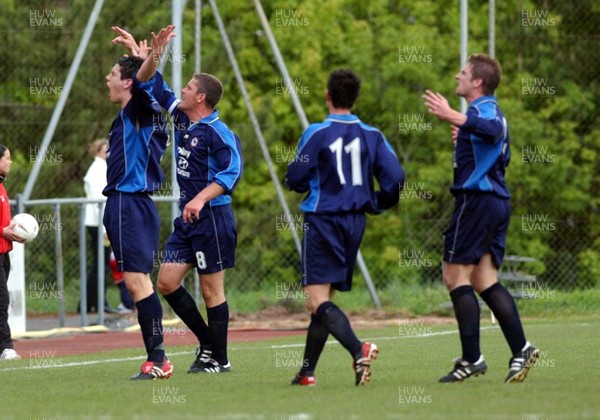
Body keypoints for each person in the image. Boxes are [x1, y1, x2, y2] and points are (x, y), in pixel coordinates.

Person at [116, 25, 243, 374]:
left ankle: (220, 358)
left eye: (188, 87)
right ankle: (209, 345)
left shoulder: (219, 131)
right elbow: (151, 83)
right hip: (188, 221)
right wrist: (146, 55)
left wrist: (201, 199)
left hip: (213, 218)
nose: (182, 90)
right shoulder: (182, 118)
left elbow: (232, 172)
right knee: (167, 282)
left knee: (211, 289)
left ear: (201, 97)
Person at [423, 54, 539, 383]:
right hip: (492, 202)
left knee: (454, 276)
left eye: (463, 72)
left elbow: (494, 129)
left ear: (477, 82)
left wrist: (455, 117)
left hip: (477, 202)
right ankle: (522, 349)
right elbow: (503, 151)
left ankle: (472, 358)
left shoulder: (484, 108)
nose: (457, 76)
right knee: (483, 280)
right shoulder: (479, 113)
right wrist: (467, 136)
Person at [285, 69, 405, 386]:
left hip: (323, 219)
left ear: (327, 95)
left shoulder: (317, 132)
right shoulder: (373, 134)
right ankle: (306, 373)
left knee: (315, 300)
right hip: (354, 223)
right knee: (323, 301)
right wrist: (375, 201)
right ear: (356, 98)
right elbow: (396, 179)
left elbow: (295, 178)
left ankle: (358, 348)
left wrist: (302, 181)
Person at [103, 43, 171, 379]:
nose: (108, 78)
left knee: (137, 282)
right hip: (130, 203)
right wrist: (140, 56)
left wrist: (150, 59)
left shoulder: (138, 108)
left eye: (113, 74)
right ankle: (157, 356)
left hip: (128, 202)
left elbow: (143, 80)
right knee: (137, 282)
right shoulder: (140, 110)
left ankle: (157, 358)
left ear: (127, 82)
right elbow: (143, 80)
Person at [82, 138, 133, 314]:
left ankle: (90, 302)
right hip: (98, 223)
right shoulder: (98, 170)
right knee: (100, 263)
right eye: (104, 149)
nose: (107, 152)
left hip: (99, 222)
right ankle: (94, 302)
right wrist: (105, 228)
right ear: (97, 152)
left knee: (100, 263)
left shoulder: (103, 168)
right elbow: (100, 199)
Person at [0, 145, 26, 360]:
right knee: (1, 301)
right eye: (7, 158)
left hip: (3, 253)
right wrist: (4, 230)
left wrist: (16, 230)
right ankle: (5, 347)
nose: (10, 162)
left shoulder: (2, 187)